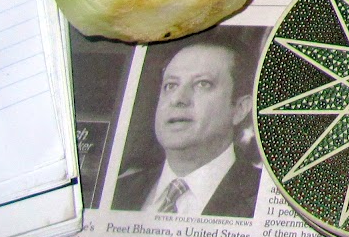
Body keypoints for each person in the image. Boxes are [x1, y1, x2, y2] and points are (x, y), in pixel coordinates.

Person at [110, 39, 262, 218]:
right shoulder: (119, 190)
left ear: (239, 109)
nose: (177, 99)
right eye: (171, 86)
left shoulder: (262, 194)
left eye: (202, 84)